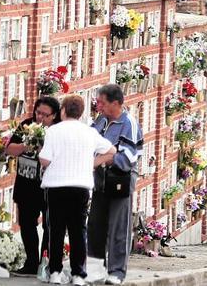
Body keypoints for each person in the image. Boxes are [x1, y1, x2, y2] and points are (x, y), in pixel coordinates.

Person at [39, 95, 116, 286]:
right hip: (81, 186)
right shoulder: (89, 133)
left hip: (56, 186)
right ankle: (78, 275)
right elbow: (111, 151)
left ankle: (55, 272)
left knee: (56, 229)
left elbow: (45, 159)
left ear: (63, 110)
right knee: (78, 230)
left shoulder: (54, 131)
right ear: (81, 113)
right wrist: (92, 163)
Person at [88, 84, 144, 285]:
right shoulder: (101, 120)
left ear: (116, 103)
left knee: (118, 227)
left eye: (102, 102)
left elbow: (127, 157)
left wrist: (103, 159)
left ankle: (117, 272)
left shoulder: (128, 123)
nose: (98, 106)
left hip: (119, 180)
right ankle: (95, 268)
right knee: (95, 225)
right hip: (100, 181)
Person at [6, 97, 61, 276]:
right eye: (38, 113)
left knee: (49, 225)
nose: (40, 118)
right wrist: (26, 144)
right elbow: (10, 149)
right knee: (27, 223)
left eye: (45, 115)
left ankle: (45, 262)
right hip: (26, 182)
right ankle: (30, 262)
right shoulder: (27, 125)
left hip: (49, 185)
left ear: (54, 116)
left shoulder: (58, 131)